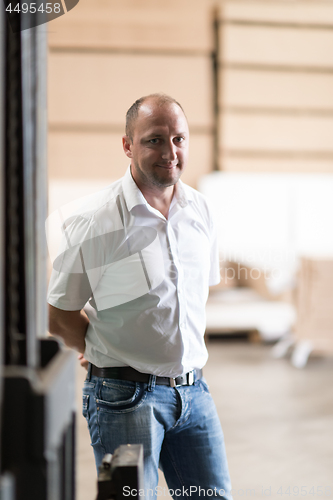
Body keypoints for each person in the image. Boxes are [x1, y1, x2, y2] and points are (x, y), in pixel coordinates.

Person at [48, 94, 232, 499]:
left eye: (179, 139)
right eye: (154, 140)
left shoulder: (202, 212)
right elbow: (59, 314)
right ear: (128, 145)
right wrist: (98, 346)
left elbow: (189, 299)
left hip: (194, 392)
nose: (170, 152)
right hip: (124, 399)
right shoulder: (94, 223)